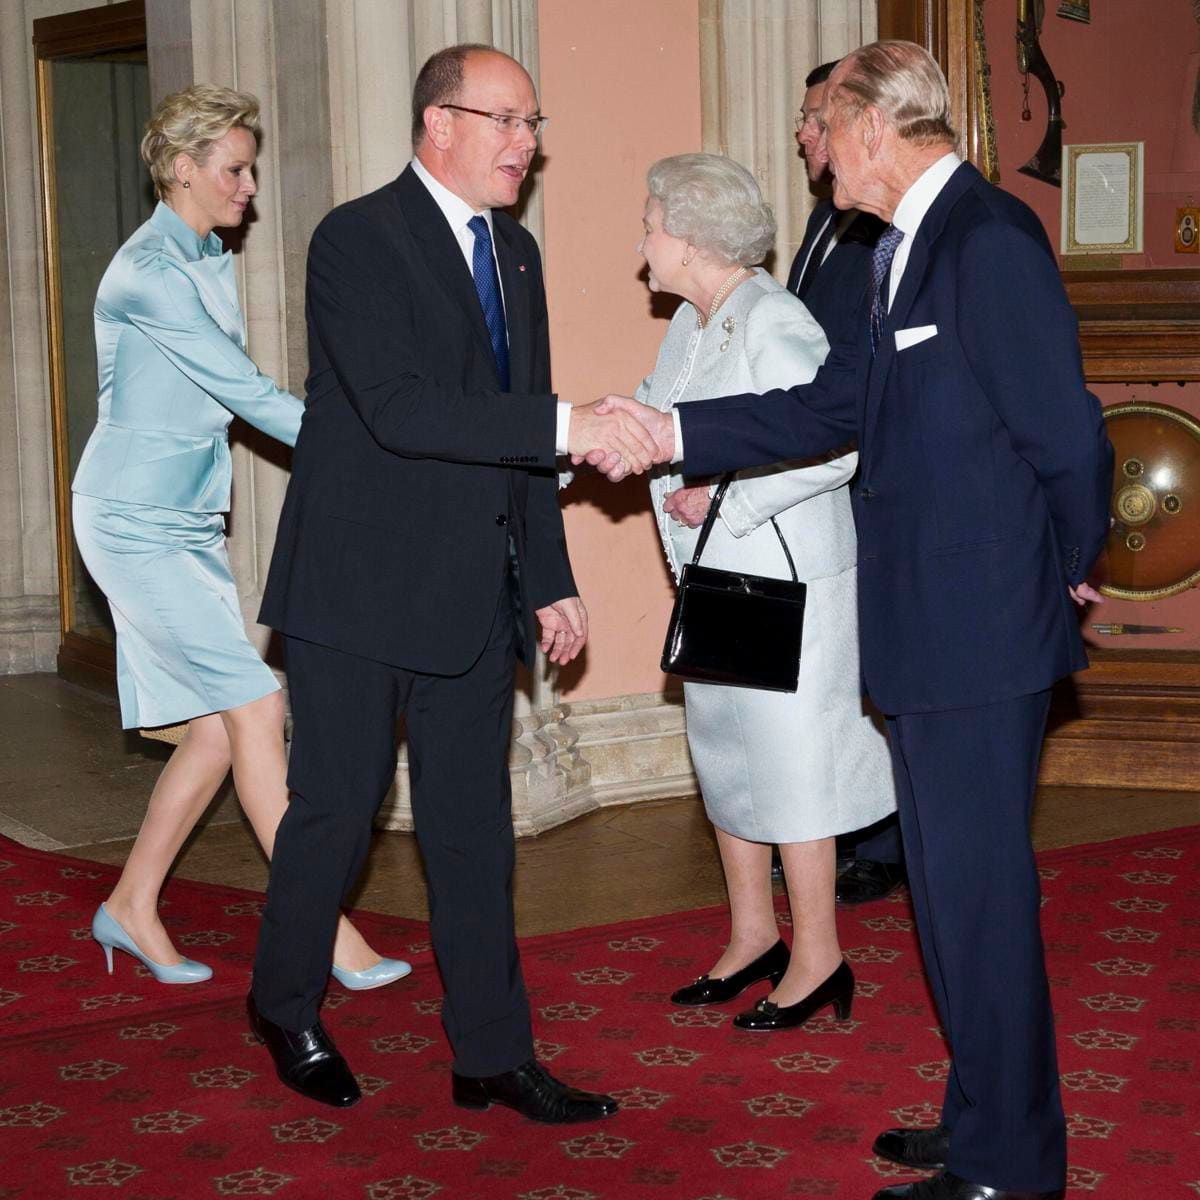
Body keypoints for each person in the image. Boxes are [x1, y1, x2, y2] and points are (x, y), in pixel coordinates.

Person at [592, 40, 1113, 1200]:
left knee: (979, 901)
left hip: (980, 631)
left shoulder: (985, 238)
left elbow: (1068, 435)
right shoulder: (904, 250)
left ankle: (1012, 1166)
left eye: (827, 120)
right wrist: (673, 433)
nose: (813, 149)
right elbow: (833, 406)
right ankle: (982, 1114)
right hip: (925, 629)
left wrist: (1069, 566)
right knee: (951, 897)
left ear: (878, 126)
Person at [249, 44, 651, 1113]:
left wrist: (551, 577)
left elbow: (516, 432)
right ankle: (285, 1006)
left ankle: (492, 1053)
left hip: (476, 593)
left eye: (534, 123)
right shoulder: (357, 239)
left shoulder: (513, 254)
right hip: (357, 591)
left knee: (474, 832)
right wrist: (576, 426)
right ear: (440, 122)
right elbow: (402, 408)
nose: (529, 143)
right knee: (335, 814)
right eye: (508, 120)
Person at [71, 85, 405, 991]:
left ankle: (132, 906)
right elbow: (248, 395)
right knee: (257, 705)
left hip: (185, 520)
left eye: (251, 167)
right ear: (182, 169)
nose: (250, 185)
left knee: (219, 732)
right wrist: (381, 443)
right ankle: (325, 929)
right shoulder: (146, 272)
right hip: (132, 521)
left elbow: (243, 392)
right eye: (235, 168)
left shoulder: (204, 256)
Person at [634, 153, 895, 1031]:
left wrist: (728, 494)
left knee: (793, 771)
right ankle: (753, 935)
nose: (644, 247)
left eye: (651, 226)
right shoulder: (690, 322)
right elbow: (652, 416)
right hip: (715, 577)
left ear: (695, 237)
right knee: (726, 759)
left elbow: (837, 444)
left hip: (786, 577)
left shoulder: (775, 321)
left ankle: (819, 955)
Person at [788, 61, 905, 908]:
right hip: (830, 453)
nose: (802, 133)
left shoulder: (873, 225)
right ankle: (868, 827)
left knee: (879, 656)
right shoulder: (826, 221)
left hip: (868, 469)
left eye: (812, 117)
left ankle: (888, 836)